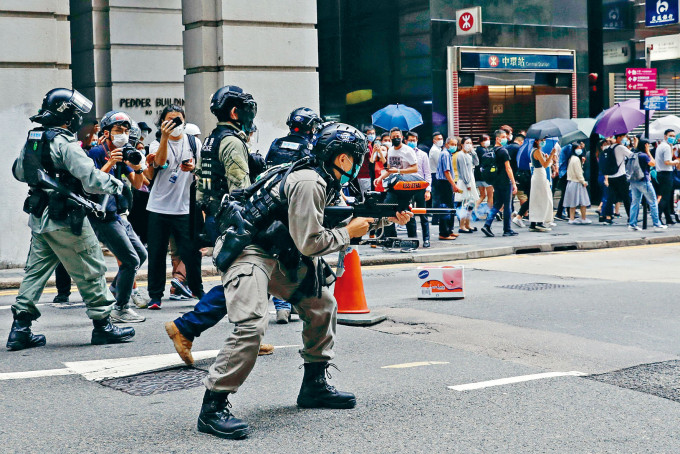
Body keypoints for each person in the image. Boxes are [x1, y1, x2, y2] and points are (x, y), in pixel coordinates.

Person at [194, 122, 412, 440]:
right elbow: (311, 242)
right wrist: (348, 233)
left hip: (279, 253)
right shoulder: (310, 182)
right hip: (249, 252)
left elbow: (337, 222)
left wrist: (384, 218)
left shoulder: (324, 178)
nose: (360, 162)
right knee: (251, 325)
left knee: (321, 304)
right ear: (340, 158)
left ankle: (314, 385)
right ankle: (213, 406)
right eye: (356, 156)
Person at [7, 88, 134, 350]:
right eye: (77, 115)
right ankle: (103, 325)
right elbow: (92, 179)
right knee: (93, 267)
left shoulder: (34, 139)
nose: (79, 120)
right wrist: (118, 185)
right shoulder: (65, 144)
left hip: (41, 217)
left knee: (35, 272)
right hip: (67, 218)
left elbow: (19, 172)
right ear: (68, 118)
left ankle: (20, 329)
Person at [165, 85, 274, 362]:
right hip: (236, 221)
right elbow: (241, 188)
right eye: (247, 109)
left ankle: (251, 333)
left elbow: (200, 186)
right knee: (244, 278)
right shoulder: (233, 142)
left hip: (217, 218)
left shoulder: (212, 139)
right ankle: (185, 327)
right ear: (236, 112)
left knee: (252, 276)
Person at [86, 110, 148, 322]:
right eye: (118, 130)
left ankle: (115, 291)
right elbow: (90, 186)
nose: (123, 134)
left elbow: (139, 185)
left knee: (141, 255)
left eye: (126, 130)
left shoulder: (123, 152)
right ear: (107, 132)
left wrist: (137, 168)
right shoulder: (95, 153)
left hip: (119, 214)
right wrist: (110, 162)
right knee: (130, 260)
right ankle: (121, 307)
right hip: (102, 216)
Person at [266, 107, 323, 323]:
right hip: (295, 206)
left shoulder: (276, 143)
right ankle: (293, 303)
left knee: (276, 254)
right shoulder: (308, 147)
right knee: (298, 255)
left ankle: (281, 306)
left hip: (271, 205)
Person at [146, 104, 204, 309]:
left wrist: (194, 168)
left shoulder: (193, 142)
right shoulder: (155, 144)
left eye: (178, 119)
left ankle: (198, 290)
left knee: (191, 252)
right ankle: (155, 296)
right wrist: (164, 137)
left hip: (185, 208)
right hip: (158, 207)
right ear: (163, 123)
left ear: (184, 120)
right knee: (156, 253)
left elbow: (202, 170)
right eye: (169, 120)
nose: (174, 124)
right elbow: (159, 163)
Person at [374, 128, 418, 239]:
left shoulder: (408, 150)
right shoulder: (391, 150)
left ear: (402, 137)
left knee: (406, 212)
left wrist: (399, 171)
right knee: (387, 210)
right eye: (393, 137)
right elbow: (389, 168)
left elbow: (415, 168)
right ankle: (390, 238)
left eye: (397, 136)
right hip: (393, 185)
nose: (395, 139)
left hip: (405, 185)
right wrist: (380, 177)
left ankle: (412, 240)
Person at [481, 130, 517, 237]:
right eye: (503, 136)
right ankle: (507, 229)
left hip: (496, 181)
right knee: (507, 205)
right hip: (505, 181)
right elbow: (508, 168)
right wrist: (514, 183)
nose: (506, 138)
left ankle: (487, 225)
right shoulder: (503, 151)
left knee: (497, 204)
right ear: (497, 138)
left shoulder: (492, 150)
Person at [627, 138, 666, 231]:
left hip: (633, 181)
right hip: (644, 180)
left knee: (635, 202)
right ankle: (656, 224)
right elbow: (653, 163)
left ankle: (632, 224)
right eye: (648, 145)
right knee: (653, 202)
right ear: (645, 145)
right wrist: (648, 152)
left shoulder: (633, 154)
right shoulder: (644, 155)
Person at [405, 131, 431, 248]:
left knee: (423, 214)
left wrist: (428, 190)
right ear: (406, 141)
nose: (413, 142)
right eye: (410, 140)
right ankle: (413, 239)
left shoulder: (423, 154)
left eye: (414, 140)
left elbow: (427, 173)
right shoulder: (403, 154)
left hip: (421, 186)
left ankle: (426, 238)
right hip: (407, 187)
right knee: (409, 214)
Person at [600, 133, 633, 225]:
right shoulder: (621, 148)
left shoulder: (608, 148)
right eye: (623, 137)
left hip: (610, 176)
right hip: (620, 176)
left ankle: (608, 218)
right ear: (618, 137)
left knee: (610, 197)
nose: (625, 139)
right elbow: (632, 156)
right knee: (626, 197)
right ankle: (631, 217)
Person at [434, 137, 461, 239]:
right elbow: (447, 172)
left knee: (450, 207)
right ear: (446, 144)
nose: (454, 146)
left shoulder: (448, 154)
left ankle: (449, 231)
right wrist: (453, 185)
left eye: (455, 144)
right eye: (452, 144)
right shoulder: (445, 154)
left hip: (446, 183)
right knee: (445, 208)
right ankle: (444, 233)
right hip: (444, 183)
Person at [528, 138, 557, 232]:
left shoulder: (537, 151)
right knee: (543, 198)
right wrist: (552, 154)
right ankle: (539, 222)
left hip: (539, 175)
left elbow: (546, 163)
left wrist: (548, 157)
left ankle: (534, 223)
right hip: (539, 175)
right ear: (536, 141)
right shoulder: (537, 151)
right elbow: (545, 165)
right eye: (542, 140)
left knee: (537, 198)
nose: (543, 141)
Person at [563, 143, 591, 225]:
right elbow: (578, 172)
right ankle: (583, 218)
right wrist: (583, 182)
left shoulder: (571, 158)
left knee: (572, 202)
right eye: (579, 147)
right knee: (583, 201)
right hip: (577, 183)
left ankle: (571, 218)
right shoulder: (576, 159)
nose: (580, 149)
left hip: (571, 182)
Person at [655, 129, 678, 226]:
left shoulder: (661, 146)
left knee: (666, 197)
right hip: (666, 174)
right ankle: (658, 218)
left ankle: (668, 218)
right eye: (670, 135)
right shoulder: (666, 147)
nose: (672, 137)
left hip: (661, 173)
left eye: (673, 136)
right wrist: (677, 162)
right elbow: (667, 162)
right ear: (665, 136)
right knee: (665, 197)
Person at [457, 137, 479, 233]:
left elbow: (476, 163)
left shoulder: (469, 154)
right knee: (464, 204)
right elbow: (463, 171)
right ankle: (462, 225)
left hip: (471, 179)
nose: (469, 144)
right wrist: (468, 183)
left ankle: (468, 224)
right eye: (467, 143)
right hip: (465, 182)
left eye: (470, 143)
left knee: (471, 203)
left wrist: (473, 152)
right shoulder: (461, 155)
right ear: (462, 144)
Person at [474, 134, 495, 219]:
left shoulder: (477, 150)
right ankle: (489, 214)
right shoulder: (484, 151)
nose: (488, 142)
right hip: (486, 176)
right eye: (486, 140)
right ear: (481, 141)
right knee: (490, 195)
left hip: (478, 176)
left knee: (482, 195)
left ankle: (474, 209)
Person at [357, 127, 376, 193]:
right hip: (365, 175)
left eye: (373, 133)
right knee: (367, 195)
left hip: (363, 175)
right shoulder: (367, 146)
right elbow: (371, 160)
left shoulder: (367, 145)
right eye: (370, 134)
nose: (372, 135)